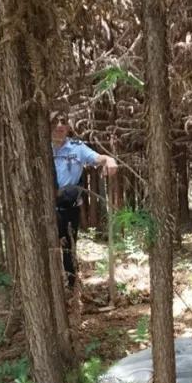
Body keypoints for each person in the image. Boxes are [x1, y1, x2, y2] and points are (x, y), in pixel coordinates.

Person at [50, 110, 118, 289]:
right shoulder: (40, 148)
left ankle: (72, 291)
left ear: (68, 126)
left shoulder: (77, 147)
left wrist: (109, 160)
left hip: (69, 208)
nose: (59, 126)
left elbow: (97, 158)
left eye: (63, 121)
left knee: (68, 250)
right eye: (54, 122)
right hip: (45, 208)